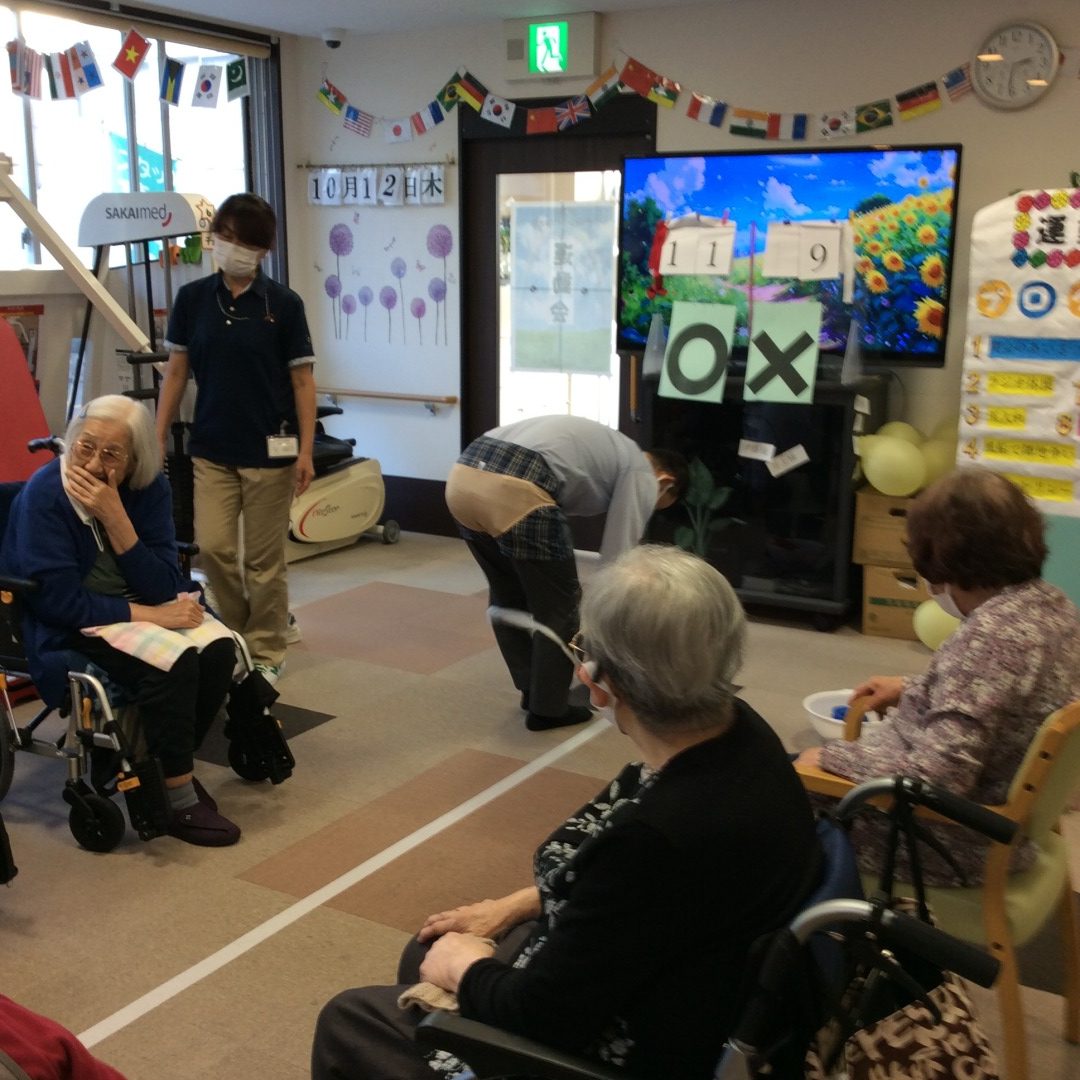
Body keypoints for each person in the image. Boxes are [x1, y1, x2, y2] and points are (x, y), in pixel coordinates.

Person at [312, 545, 823, 1080]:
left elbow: (543, 1016)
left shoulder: (656, 838)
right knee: (420, 955)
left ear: (601, 682)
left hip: (637, 1050)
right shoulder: (744, 734)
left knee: (351, 1019)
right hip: (706, 987)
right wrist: (514, 904)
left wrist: (464, 970)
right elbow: (645, 904)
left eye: (584, 648)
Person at [797, 466, 1080, 883]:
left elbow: (940, 777)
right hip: (1004, 821)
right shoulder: (1054, 608)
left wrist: (831, 759)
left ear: (944, 556)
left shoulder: (990, 639)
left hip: (946, 841)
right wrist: (914, 688)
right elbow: (1005, 699)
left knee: (775, 795)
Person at [0, 395, 241, 847]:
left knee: (219, 650)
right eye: (85, 447)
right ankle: (177, 796)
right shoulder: (46, 495)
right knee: (173, 664)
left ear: (134, 461)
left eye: (111, 454)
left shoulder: (149, 488)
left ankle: (164, 762)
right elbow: (58, 602)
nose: (94, 464)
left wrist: (117, 520)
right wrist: (154, 615)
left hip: (135, 604)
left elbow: (162, 583)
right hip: (69, 622)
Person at [156, 192, 316, 686]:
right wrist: (155, 435)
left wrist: (306, 451)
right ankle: (243, 630)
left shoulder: (283, 304)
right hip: (212, 448)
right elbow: (176, 372)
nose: (230, 247)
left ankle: (266, 649)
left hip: (271, 449)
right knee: (215, 550)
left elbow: (303, 382)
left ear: (263, 249)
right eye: (224, 236)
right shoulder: (193, 299)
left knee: (263, 561)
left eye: (243, 240)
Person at [445, 415, 688, 730]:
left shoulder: (611, 449)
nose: (648, 507)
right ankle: (548, 709)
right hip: (517, 487)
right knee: (560, 608)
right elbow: (618, 555)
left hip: (462, 479)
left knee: (508, 596)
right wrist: (610, 617)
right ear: (665, 481)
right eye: (657, 503)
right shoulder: (641, 470)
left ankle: (531, 689)